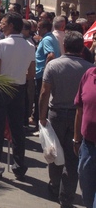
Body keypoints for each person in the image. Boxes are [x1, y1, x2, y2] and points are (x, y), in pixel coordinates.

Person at [39, 30, 92, 207]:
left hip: (56, 115)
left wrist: (41, 116)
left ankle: (55, 185)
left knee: (54, 152)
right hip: (78, 117)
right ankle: (66, 196)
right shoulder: (88, 69)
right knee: (72, 157)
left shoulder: (53, 66)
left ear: (64, 45)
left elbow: (45, 93)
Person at [0, 12, 36, 179]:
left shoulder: (1, 44)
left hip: (1, 88)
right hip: (19, 89)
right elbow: (31, 74)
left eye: (3, 23)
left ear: (10, 26)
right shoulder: (30, 46)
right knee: (17, 129)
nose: (0, 25)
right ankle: (19, 165)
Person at [74, 52, 96, 208]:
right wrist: (76, 139)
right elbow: (79, 109)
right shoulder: (89, 74)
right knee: (87, 195)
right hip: (88, 145)